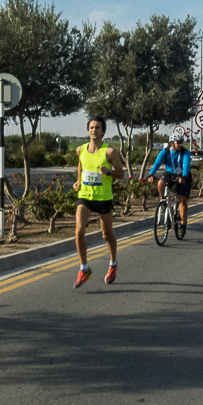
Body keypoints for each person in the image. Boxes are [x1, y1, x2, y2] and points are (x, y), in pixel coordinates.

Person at [72, 117, 125, 288]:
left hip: (103, 197)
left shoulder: (110, 152)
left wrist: (109, 172)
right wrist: (78, 180)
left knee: (106, 234)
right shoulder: (80, 150)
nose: (94, 130)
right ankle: (84, 268)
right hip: (85, 196)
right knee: (79, 231)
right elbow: (81, 165)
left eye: (97, 127)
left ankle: (113, 264)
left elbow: (121, 174)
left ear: (103, 131)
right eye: (91, 127)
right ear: (88, 130)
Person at [149, 133, 192, 235]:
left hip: (183, 175)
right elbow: (157, 163)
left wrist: (184, 176)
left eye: (182, 142)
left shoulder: (185, 152)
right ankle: (163, 201)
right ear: (172, 143)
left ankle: (182, 226)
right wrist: (151, 174)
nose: (181, 144)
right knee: (160, 182)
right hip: (170, 174)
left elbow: (186, 165)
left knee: (182, 199)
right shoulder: (165, 152)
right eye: (179, 143)